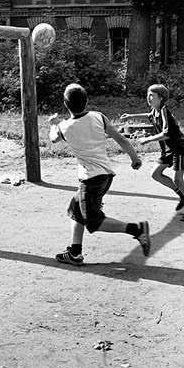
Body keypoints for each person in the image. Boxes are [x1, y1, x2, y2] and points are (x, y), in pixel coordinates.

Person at [48, 84, 150, 265]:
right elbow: (121, 138)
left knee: (94, 221)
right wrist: (135, 158)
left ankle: (136, 229)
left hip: (91, 180)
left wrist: (54, 124)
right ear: (87, 101)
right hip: (105, 175)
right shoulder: (98, 116)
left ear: (65, 104)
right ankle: (74, 252)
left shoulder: (65, 127)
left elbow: (53, 139)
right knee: (76, 210)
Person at [120, 84, 184, 222]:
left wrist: (147, 139)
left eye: (152, 95)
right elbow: (149, 115)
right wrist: (131, 116)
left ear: (161, 98)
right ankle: (182, 195)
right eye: (148, 94)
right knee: (156, 174)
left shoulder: (164, 111)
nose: (148, 97)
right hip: (168, 150)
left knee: (178, 180)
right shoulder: (155, 110)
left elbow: (167, 133)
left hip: (179, 149)